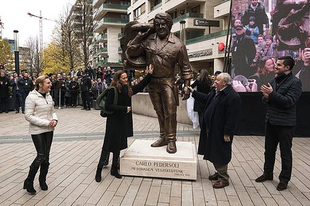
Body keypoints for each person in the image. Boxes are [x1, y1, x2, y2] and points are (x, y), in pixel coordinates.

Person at [126, 12, 193, 153]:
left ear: (169, 25)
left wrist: (187, 86)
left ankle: (171, 140)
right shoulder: (148, 39)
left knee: (170, 112)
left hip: (168, 82)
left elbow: (186, 68)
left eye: (163, 24)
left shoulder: (178, 45)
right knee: (159, 111)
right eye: (157, 25)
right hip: (152, 82)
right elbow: (132, 52)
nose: (160, 27)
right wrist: (141, 35)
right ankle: (163, 136)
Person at [95, 65, 153, 182]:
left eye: (127, 78)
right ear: (118, 79)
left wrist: (149, 75)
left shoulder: (128, 89)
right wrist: (124, 109)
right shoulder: (113, 90)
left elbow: (140, 86)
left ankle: (114, 169)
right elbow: (108, 106)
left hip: (122, 121)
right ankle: (99, 170)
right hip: (113, 121)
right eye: (124, 78)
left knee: (118, 145)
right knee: (107, 145)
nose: (126, 80)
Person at [256, 56, 302, 191]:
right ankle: (268, 173)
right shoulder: (274, 80)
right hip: (271, 121)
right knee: (268, 151)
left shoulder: (295, 82)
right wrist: (267, 97)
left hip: (285, 124)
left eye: (279, 65)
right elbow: (267, 101)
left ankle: (284, 179)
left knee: (285, 153)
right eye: (276, 64)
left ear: (287, 68)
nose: (276, 66)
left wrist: (271, 95)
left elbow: (289, 102)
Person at [188, 73, 242, 189]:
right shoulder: (215, 92)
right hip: (211, 129)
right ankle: (219, 172)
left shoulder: (232, 97)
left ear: (224, 82)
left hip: (221, 132)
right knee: (214, 151)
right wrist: (193, 91)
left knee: (220, 153)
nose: (214, 81)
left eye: (217, 80)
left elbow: (232, 118)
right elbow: (205, 99)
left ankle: (223, 179)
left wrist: (227, 133)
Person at [23, 75, 58, 195]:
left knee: (46, 158)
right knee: (41, 156)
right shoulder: (31, 97)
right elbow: (28, 116)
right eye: (48, 83)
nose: (50, 84)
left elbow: (52, 111)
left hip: (49, 130)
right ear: (40, 85)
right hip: (37, 130)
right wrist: (47, 123)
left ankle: (42, 180)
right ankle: (29, 181)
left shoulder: (48, 95)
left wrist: (55, 119)